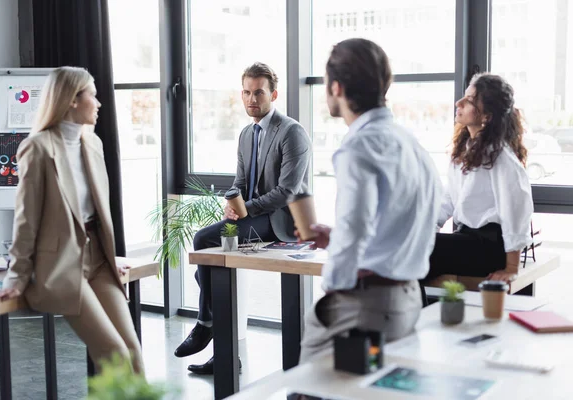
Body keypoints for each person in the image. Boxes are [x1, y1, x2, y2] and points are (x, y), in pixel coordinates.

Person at [0, 67, 144, 374]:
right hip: (62, 265)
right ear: (72, 99)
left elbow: (96, 213)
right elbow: (26, 220)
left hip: (97, 260)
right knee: (114, 355)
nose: (98, 103)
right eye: (92, 96)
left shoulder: (92, 144)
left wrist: (111, 257)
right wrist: (17, 277)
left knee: (133, 351)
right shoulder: (38, 148)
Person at [297, 38, 443, 363]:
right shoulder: (410, 143)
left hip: (365, 305)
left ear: (336, 87)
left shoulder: (357, 148)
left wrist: (335, 286)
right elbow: (425, 213)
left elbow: (355, 228)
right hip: (407, 300)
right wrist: (335, 237)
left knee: (308, 386)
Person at [175, 62, 312, 374]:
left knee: (204, 239)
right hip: (252, 216)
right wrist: (232, 205)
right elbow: (238, 182)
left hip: (281, 221)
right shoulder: (246, 134)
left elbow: (286, 192)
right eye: (247, 93)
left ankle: (205, 324)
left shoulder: (292, 133)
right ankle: (223, 352)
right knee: (210, 269)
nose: (253, 99)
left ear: (273, 94)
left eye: (259, 93)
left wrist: (245, 209)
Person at [422, 73, 533, 295]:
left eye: (469, 101)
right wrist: (426, 229)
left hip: (489, 248)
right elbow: (449, 201)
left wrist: (511, 267)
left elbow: (516, 208)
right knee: (409, 245)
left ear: (487, 116)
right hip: (466, 240)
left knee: (411, 252)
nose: (458, 103)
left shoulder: (501, 157)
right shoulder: (464, 151)